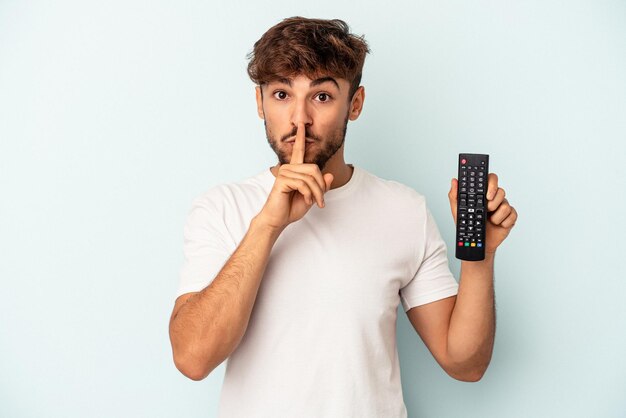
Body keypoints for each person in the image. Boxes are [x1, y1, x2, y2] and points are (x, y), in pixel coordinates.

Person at [168, 16, 518, 417]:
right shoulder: (221, 208)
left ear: (355, 104)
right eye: (282, 94)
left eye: (321, 97)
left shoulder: (404, 210)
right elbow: (192, 359)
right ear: (259, 103)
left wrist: (481, 257)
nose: (300, 118)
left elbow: (466, 363)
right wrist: (268, 224)